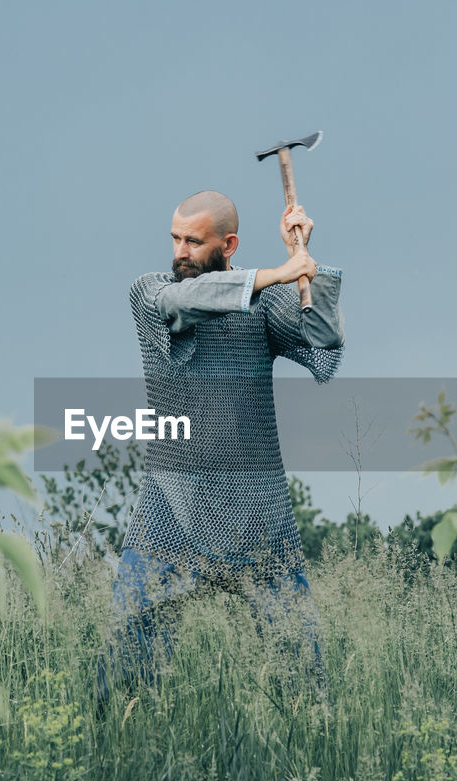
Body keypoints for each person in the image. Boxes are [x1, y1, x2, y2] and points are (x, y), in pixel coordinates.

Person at [96, 189, 345, 709]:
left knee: (302, 666)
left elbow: (321, 337)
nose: (180, 251)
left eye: (194, 240)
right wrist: (278, 274)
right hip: (172, 503)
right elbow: (187, 301)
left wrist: (306, 265)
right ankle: (119, 744)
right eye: (175, 239)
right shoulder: (153, 292)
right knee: (126, 664)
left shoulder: (260, 309)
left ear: (228, 244)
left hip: (256, 510)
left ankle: (313, 741)